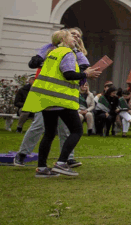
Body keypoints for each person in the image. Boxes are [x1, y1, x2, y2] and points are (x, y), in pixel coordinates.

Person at [21, 30, 101, 177]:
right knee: (77, 130)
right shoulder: (67, 53)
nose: (75, 39)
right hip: (61, 99)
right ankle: (62, 163)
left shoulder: (52, 53)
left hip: (46, 98)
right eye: (72, 36)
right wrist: (86, 74)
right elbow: (68, 74)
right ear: (64, 39)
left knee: (49, 133)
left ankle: (42, 168)